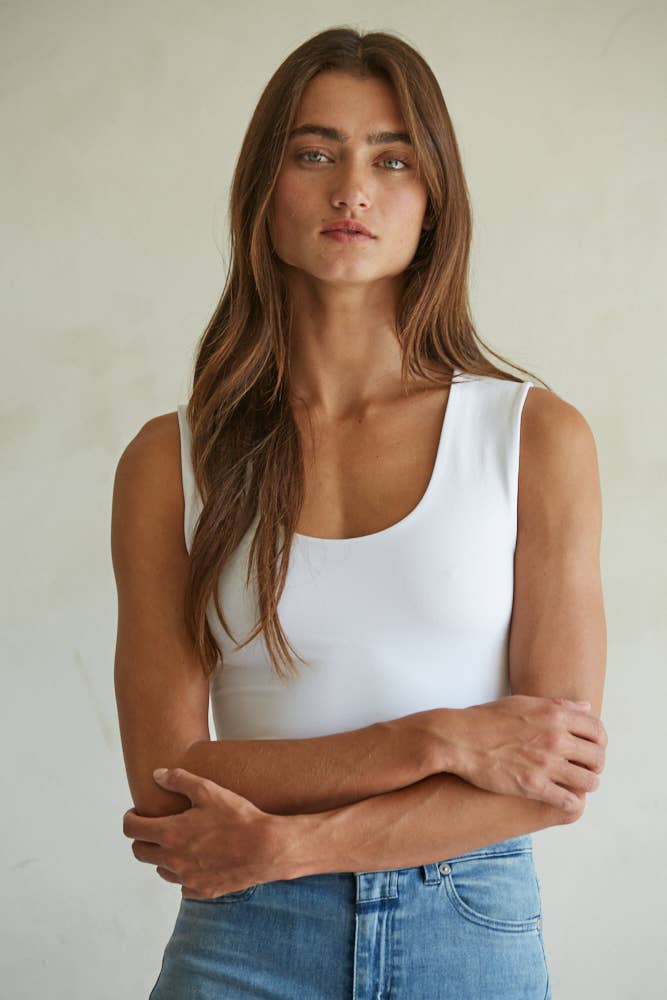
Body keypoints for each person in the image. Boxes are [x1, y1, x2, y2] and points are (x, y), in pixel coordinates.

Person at [111, 26, 608, 1000]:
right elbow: (168, 778)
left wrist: (293, 842)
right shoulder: (170, 462)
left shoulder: (531, 436)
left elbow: (551, 775)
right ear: (266, 190)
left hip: (461, 922)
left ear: (433, 203)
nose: (352, 188)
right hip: (242, 930)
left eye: (392, 157)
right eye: (314, 152)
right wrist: (441, 739)